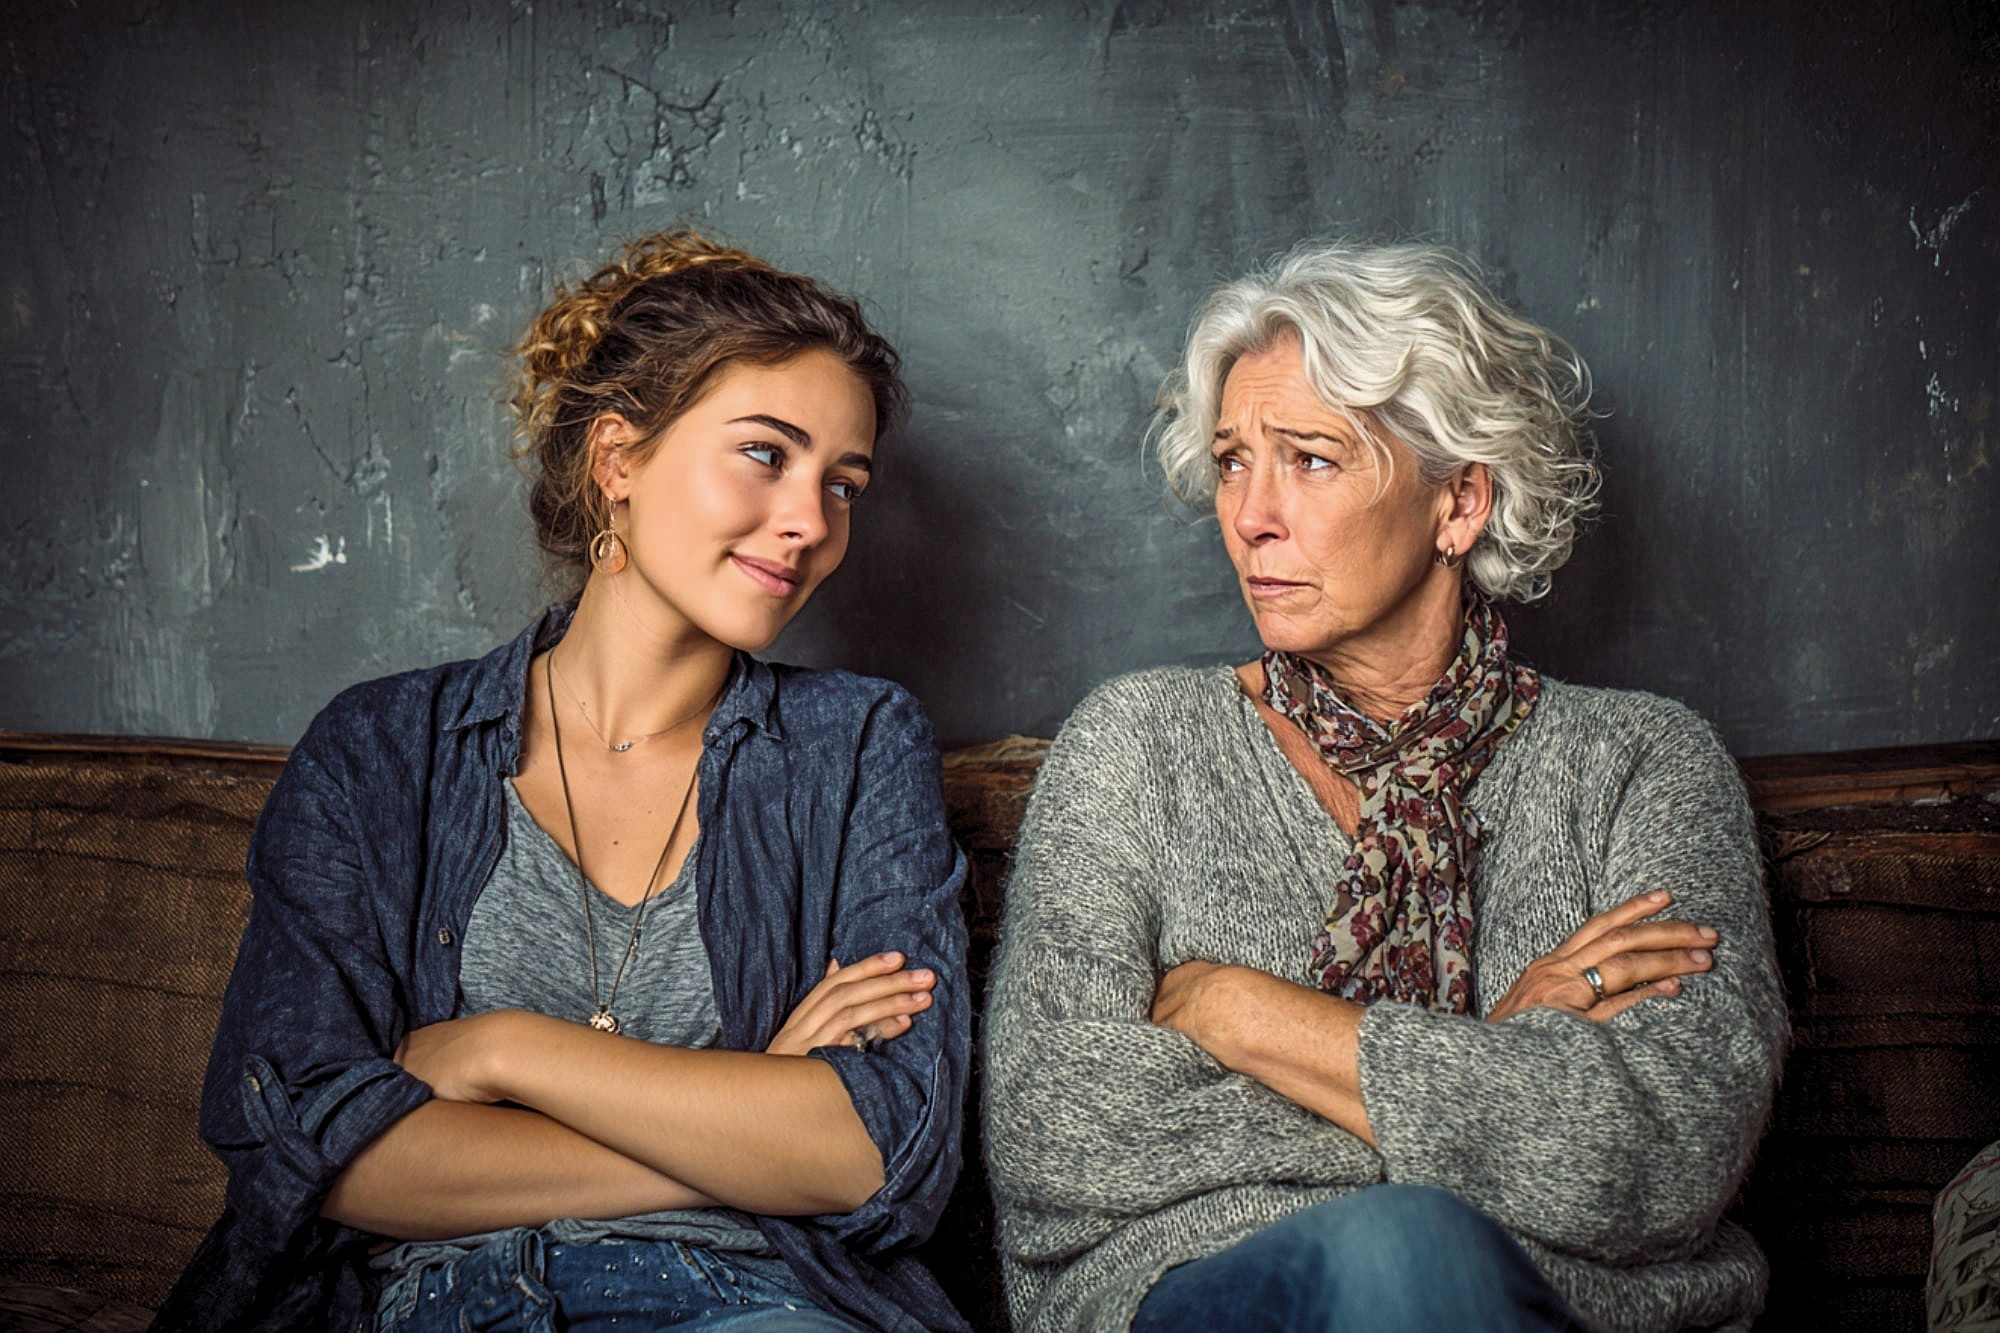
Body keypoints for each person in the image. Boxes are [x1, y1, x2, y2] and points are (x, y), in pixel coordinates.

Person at [156, 233, 971, 1333]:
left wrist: (505, 1052)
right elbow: (319, 1155)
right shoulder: (381, 751)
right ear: (616, 460)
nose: (811, 522)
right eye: (766, 454)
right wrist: (743, 1121)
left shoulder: (857, 748)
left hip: (749, 1304)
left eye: (843, 483)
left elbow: (879, 1151)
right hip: (432, 1307)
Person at [983, 239, 1786, 1332]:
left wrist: (1242, 1010)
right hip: (1201, 1299)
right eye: (1230, 461)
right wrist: (1493, 1063)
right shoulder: (1136, 746)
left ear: (1457, 503)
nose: (1250, 513)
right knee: (1405, 1243)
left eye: (1308, 458)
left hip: (1586, 1315)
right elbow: (1057, 1132)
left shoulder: (1641, 764)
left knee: (1417, 1247)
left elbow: (1670, 1153)